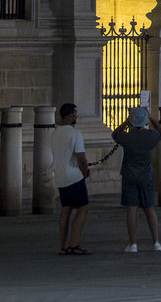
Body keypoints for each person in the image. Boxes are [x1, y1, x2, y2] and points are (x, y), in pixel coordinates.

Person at [116, 106, 161, 253]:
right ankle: (156, 242)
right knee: (149, 209)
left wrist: (127, 121)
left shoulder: (126, 137)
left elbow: (115, 134)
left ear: (132, 122)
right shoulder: (151, 136)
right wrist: (150, 117)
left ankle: (132, 244)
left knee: (131, 209)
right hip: (146, 176)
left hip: (129, 176)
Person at [55, 102, 91, 255]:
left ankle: (63, 246)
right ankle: (74, 244)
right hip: (74, 176)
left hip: (60, 177)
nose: (77, 116)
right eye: (75, 113)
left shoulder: (55, 133)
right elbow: (81, 158)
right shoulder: (75, 134)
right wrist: (85, 172)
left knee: (66, 209)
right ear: (70, 115)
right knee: (83, 208)